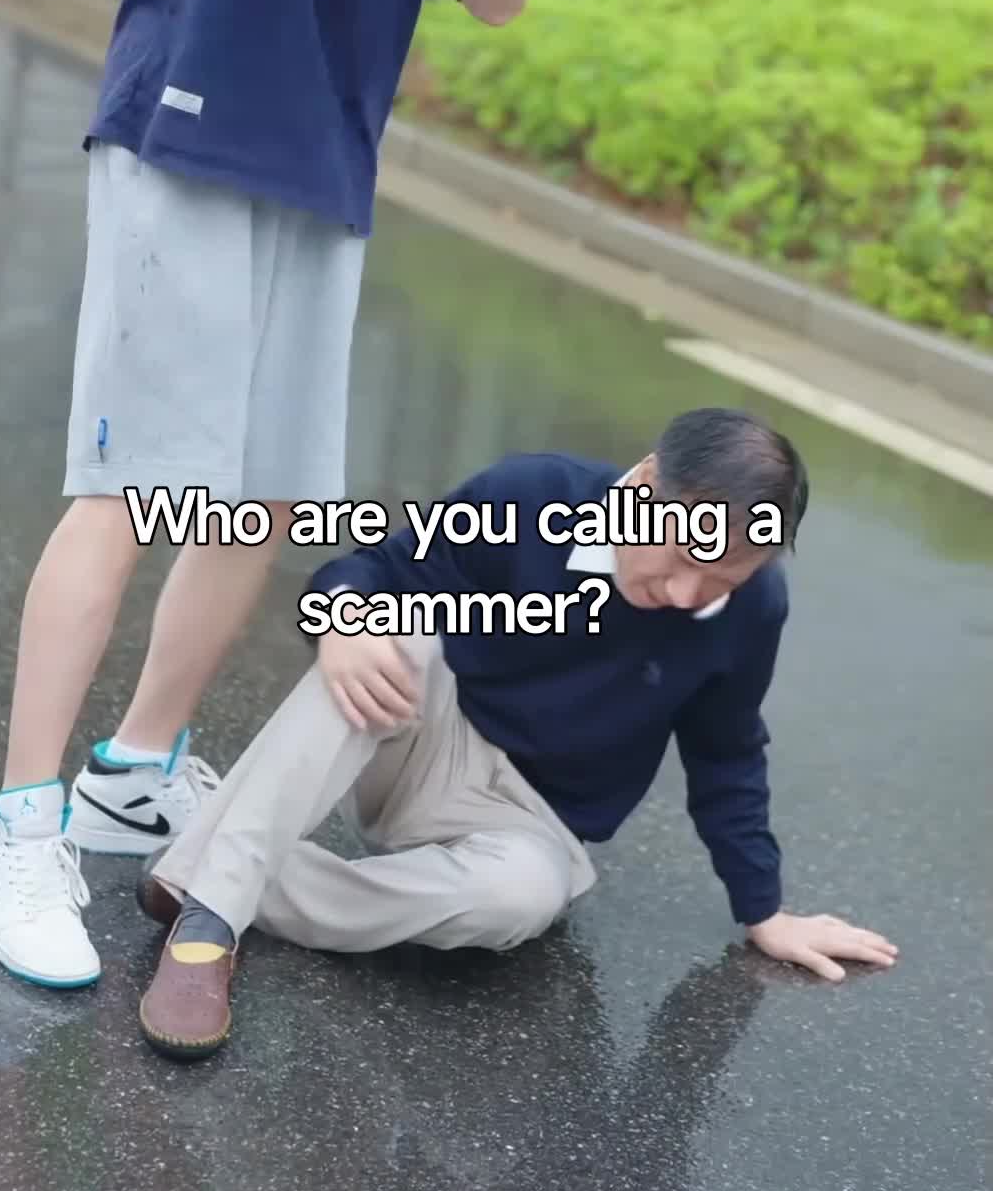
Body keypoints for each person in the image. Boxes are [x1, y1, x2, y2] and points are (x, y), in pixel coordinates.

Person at [0, 0, 580, 990]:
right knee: (131, 486)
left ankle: (135, 768)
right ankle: (19, 825)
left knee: (256, 504)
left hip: (325, 165)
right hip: (188, 129)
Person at [133, 407, 898, 1060]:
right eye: (680, 557)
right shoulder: (531, 496)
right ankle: (210, 923)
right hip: (427, 738)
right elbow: (376, 567)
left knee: (521, 900)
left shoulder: (753, 608)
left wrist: (765, 911)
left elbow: (726, 753)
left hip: (532, 823)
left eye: (721, 580)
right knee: (387, 631)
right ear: (643, 484)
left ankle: (217, 864)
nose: (685, 592)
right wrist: (342, 619)